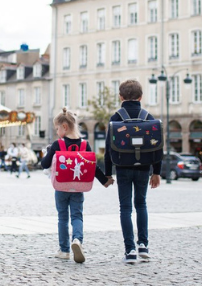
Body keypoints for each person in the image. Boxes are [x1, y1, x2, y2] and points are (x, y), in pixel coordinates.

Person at [41, 108, 113, 263]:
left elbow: (44, 164)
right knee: (77, 215)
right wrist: (105, 180)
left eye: (57, 128)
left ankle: (64, 250)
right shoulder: (84, 144)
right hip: (79, 187)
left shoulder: (57, 144)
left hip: (61, 187)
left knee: (62, 218)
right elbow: (92, 165)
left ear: (64, 127)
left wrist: (49, 152)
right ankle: (77, 240)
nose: (57, 131)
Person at [106, 79, 160, 264]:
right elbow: (156, 148)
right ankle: (143, 245)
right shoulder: (149, 117)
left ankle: (130, 250)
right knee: (141, 204)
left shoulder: (115, 118)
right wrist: (156, 172)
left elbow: (108, 149)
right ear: (141, 97)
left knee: (125, 208)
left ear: (120, 97)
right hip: (144, 167)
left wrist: (107, 173)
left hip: (122, 168)